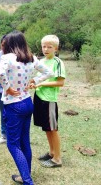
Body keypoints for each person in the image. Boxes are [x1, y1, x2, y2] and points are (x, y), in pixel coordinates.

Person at [0, 31, 54, 185]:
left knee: (13, 144)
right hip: (28, 103)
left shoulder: (7, 57)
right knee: (24, 142)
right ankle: (25, 176)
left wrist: (7, 87)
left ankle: (28, 180)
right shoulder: (31, 58)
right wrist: (34, 80)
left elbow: (0, 73)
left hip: (13, 104)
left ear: (9, 43)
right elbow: (49, 72)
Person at [32, 35, 66, 168]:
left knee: (53, 129)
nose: (46, 49)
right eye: (44, 46)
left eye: (49, 47)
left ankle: (57, 159)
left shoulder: (58, 62)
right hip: (39, 97)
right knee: (46, 128)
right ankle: (52, 152)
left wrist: (42, 84)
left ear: (55, 48)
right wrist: (34, 82)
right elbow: (39, 77)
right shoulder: (42, 61)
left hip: (49, 100)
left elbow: (60, 82)